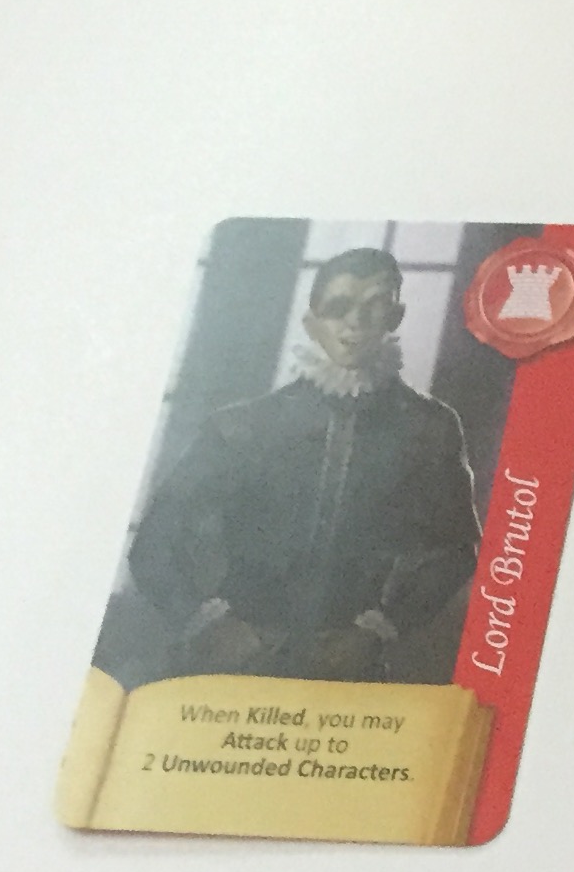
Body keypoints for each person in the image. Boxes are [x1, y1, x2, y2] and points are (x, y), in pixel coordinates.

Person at [124, 245, 480, 683]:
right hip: (235, 660)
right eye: (339, 307)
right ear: (312, 322)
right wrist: (208, 624)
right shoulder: (242, 426)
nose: (354, 322)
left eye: (374, 307)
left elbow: (455, 551)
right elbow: (155, 541)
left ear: (396, 317)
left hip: (351, 665)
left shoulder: (428, 427)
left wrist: (382, 628)